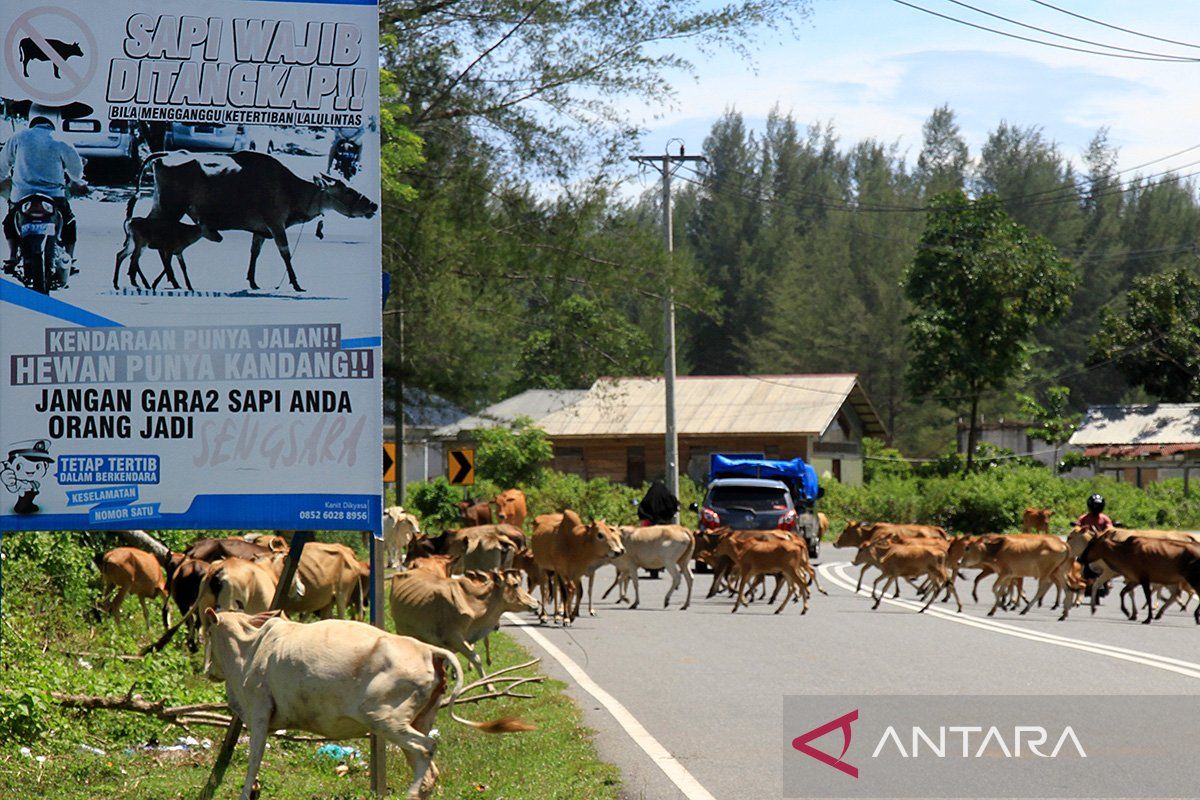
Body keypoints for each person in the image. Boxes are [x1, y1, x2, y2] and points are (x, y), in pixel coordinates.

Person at [0, 116, 85, 273]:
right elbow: (76, 172)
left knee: (9, 222)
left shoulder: (18, 137)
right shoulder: (62, 140)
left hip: (21, 196)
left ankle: (12, 256)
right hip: (54, 197)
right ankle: (70, 259)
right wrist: (77, 179)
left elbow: (2, 165)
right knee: (69, 222)